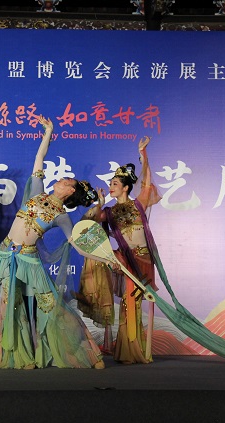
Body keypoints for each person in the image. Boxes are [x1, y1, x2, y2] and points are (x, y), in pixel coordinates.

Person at [0, 116, 105, 369]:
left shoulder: (62, 216)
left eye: (66, 181)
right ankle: (18, 356)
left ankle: (82, 353)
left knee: (50, 304)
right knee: (10, 306)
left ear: (70, 192)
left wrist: (104, 258)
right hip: (6, 254)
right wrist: (48, 132)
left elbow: (76, 243)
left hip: (29, 260)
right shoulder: (37, 192)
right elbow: (39, 158)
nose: (61, 180)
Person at [80, 135, 160, 364]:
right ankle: (128, 350)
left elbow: (147, 181)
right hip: (124, 261)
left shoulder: (138, 204)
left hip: (143, 261)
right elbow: (89, 224)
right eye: (111, 183)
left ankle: (134, 349)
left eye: (115, 184)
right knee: (128, 302)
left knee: (135, 302)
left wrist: (143, 154)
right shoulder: (110, 212)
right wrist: (99, 203)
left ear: (125, 187)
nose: (111, 187)